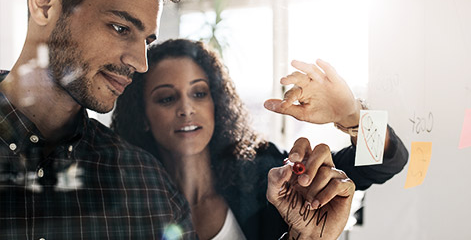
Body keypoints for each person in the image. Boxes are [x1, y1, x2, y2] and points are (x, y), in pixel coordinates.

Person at [111, 39, 409, 239]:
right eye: (166, 98)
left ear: (217, 103)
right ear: (143, 115)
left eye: (199, 93)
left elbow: (383, 163)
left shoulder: (260, 169)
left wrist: (351, 115)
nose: (186, 108)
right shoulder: (125, 200)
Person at [0, 0, 199, 239]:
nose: (141, 64)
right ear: (45, 5)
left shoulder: (149, 186)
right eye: (121, 28)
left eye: (146, 42)